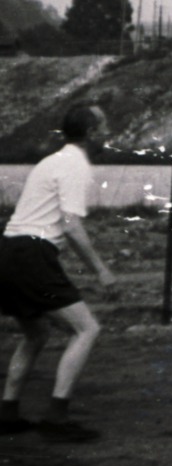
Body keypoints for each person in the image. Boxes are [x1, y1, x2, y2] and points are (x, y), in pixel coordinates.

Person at [0, 104, 118, 442]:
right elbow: (71, 226)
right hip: (32, 254)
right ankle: (56, 417)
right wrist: (101, 271)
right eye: (104, 125)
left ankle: (7, 413)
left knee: (36, 333)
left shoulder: (52, 160)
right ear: (92, 133)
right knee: (87, 329)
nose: (108, 131)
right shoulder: (75, 166)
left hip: (8, 251)